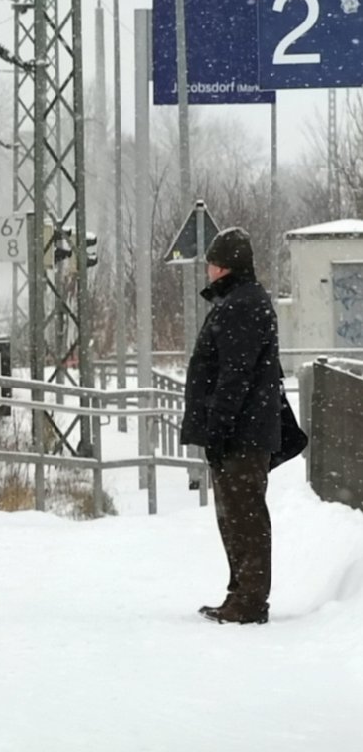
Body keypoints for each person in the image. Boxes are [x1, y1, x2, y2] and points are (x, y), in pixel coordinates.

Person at [181, 227, 282, 625]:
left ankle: (250, 599)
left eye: (211, 262)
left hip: (242, 433)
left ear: (223, 266)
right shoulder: (242, 302)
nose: (207, 269)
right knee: (236, 515)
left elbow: (234, 375)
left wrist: (219, 429)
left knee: (244, 515)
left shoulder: (242, 306)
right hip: (243, 430)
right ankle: (240, 592)